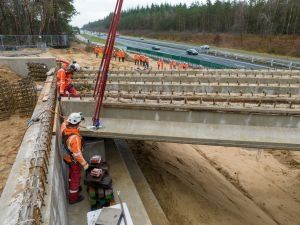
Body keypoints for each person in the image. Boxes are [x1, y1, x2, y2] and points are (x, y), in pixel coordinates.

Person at [61, 112, 89, 204]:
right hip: (74, 160)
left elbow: (65, 122)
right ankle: (73, 198)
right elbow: (77, 154)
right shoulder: (75, 138)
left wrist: (69, 119)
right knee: (75, 177)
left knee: (72, 174)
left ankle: (73, 187)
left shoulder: (64, 127)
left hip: (67, 158)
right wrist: (85, 165)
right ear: (77, 124)